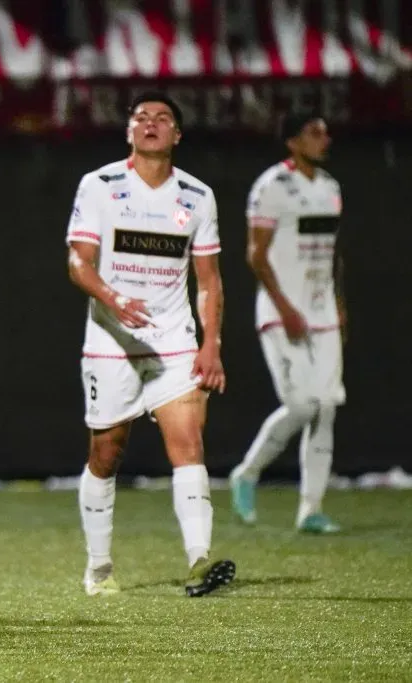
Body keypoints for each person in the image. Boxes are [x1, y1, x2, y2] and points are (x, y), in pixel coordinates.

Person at [66, 92, 235, 597]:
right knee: (107, 452)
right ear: (129, 132)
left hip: (174, 343)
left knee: (188, 444)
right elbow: (78, 262)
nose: (151, 124)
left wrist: (212, 345)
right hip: (111, 342)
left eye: (163, 118)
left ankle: (199, 560)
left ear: (177, 135)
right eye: (141, 117)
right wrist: (112, 298)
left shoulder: (198, 196)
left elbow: (209, 280)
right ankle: (98, 568)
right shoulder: (99, 186)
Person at [229, 113, 346, 533]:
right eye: (315, 132)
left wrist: (338, 303)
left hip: (323, 313)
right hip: (283, 312)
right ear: (293, 142)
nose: (324, 138)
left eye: (324, 131)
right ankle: (247, 473)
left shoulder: (331, 188)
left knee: (327, 408)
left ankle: (310, 509)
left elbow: (333, 253)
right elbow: (256, 254)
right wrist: (286, 307)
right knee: (301, 405)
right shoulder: (272, 186)